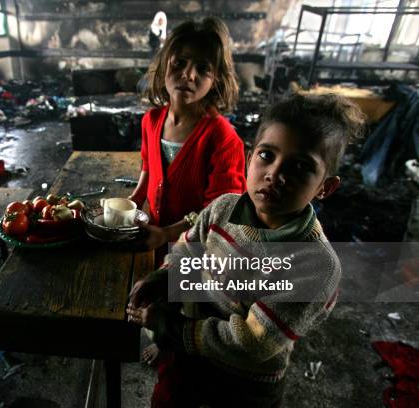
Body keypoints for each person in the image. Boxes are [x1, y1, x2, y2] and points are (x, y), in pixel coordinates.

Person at [126, 93, 366, 407]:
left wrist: (170, 326)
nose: (276, 175)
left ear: (326, 187)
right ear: (249, 157)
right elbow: (187, 250)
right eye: (267, 155)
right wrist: (161, 278)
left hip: (241, 384)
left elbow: (254, 340)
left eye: (302, 167)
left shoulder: (314, 265)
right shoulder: (224, 208)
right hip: (185, 357)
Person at [130, 18, 246, 254]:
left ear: (216, 81)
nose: (188, 75)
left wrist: (168, 234)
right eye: (180, 63)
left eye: (203, 68)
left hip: (196, 249)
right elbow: (148, 166)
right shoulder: (151, 121)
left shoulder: (222, 138)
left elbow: (221, 212)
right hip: (153, 236)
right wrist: (132, 201)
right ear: (164, 67)